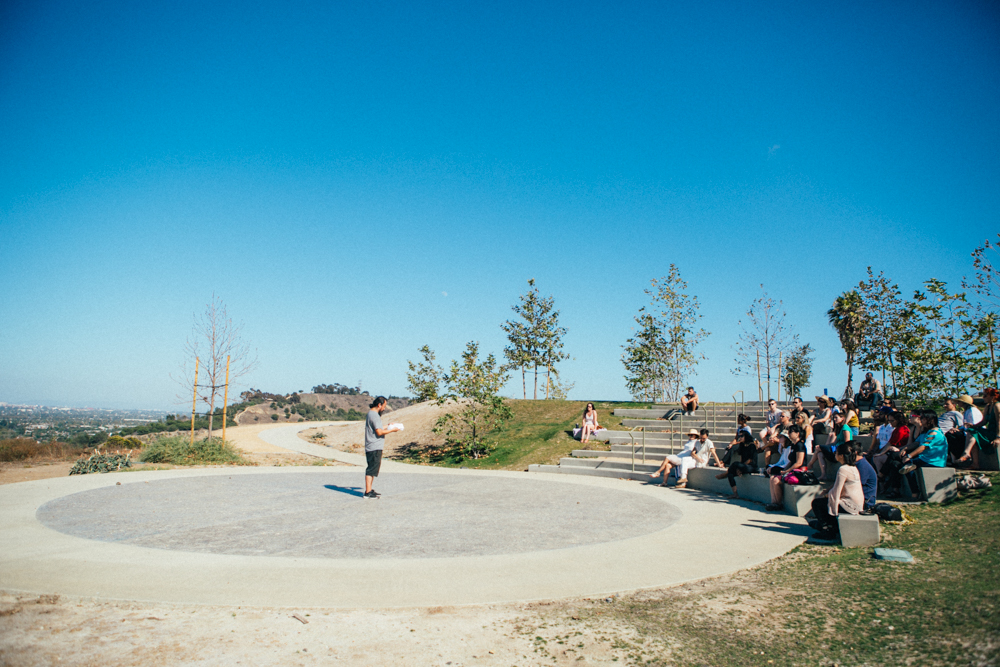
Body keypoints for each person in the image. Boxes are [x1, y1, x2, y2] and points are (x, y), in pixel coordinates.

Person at [809, 443, 864, 541]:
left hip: (850, 505)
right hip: (857, 504)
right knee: (824, 502)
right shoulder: (853, 467)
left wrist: (828, 500)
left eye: (836, 453)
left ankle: (827, 530)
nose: (835, 455)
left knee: (817, 503)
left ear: (842, 456)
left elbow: (836, 492)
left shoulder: (843, 469)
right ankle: (829, 526)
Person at [363, 396, 401, 499]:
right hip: (374, 446)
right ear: (379, 405)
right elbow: (379, 432)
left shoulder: (371, 414)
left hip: (372, 446)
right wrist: (392, 431)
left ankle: (369, 489)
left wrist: (389, 426)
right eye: (384, 406)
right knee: (371, 469)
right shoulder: (374, 415)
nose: (384, 409)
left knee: (373, 469)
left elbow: (378, 427)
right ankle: (367, 492)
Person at [765, 426, 808, 512]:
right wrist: (785, 469)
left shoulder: (800, 445)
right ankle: (774, 502)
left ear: (797, 434)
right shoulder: (794, 446)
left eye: (791, 431)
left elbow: (799, 463)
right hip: (792, 470)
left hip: (799, 472)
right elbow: (790, 462)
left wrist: (786, 471)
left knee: (776, 480)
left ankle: (778, 503)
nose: (789, 433)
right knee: (772, 478)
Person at [960, 388, 1000, 468]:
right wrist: (973, 425)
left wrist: (998, 437)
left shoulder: (997, 406)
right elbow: (984, 421)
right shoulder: (988, 407)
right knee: (971, 431)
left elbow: (999, 422)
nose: (983, 398)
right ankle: (974, 461)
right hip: (989, 431)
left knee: (974, 433)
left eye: (985, 396)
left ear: (992, 397)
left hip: (995, 432)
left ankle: (967, 453)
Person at [716, 430, 758, 498]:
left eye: (742, 436)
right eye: (739, 436)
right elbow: (742, 458)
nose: (740, 437)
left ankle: (724, 475)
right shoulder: (742, 445)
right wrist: (740, 468)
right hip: (744, 466)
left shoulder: (752, 445)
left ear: (746, 436)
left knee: (735, 463)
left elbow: (750, 460)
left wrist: (740, 467)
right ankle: (735, 494)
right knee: (730, 474)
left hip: (752, 467)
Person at [937, 398, 966, 463]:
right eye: (944, 404)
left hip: (944, 433)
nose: (944, 406)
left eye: (947, 404)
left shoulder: (956, 413)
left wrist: (957, 429)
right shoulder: (944, 414)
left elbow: (962, 425)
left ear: (954, 405)